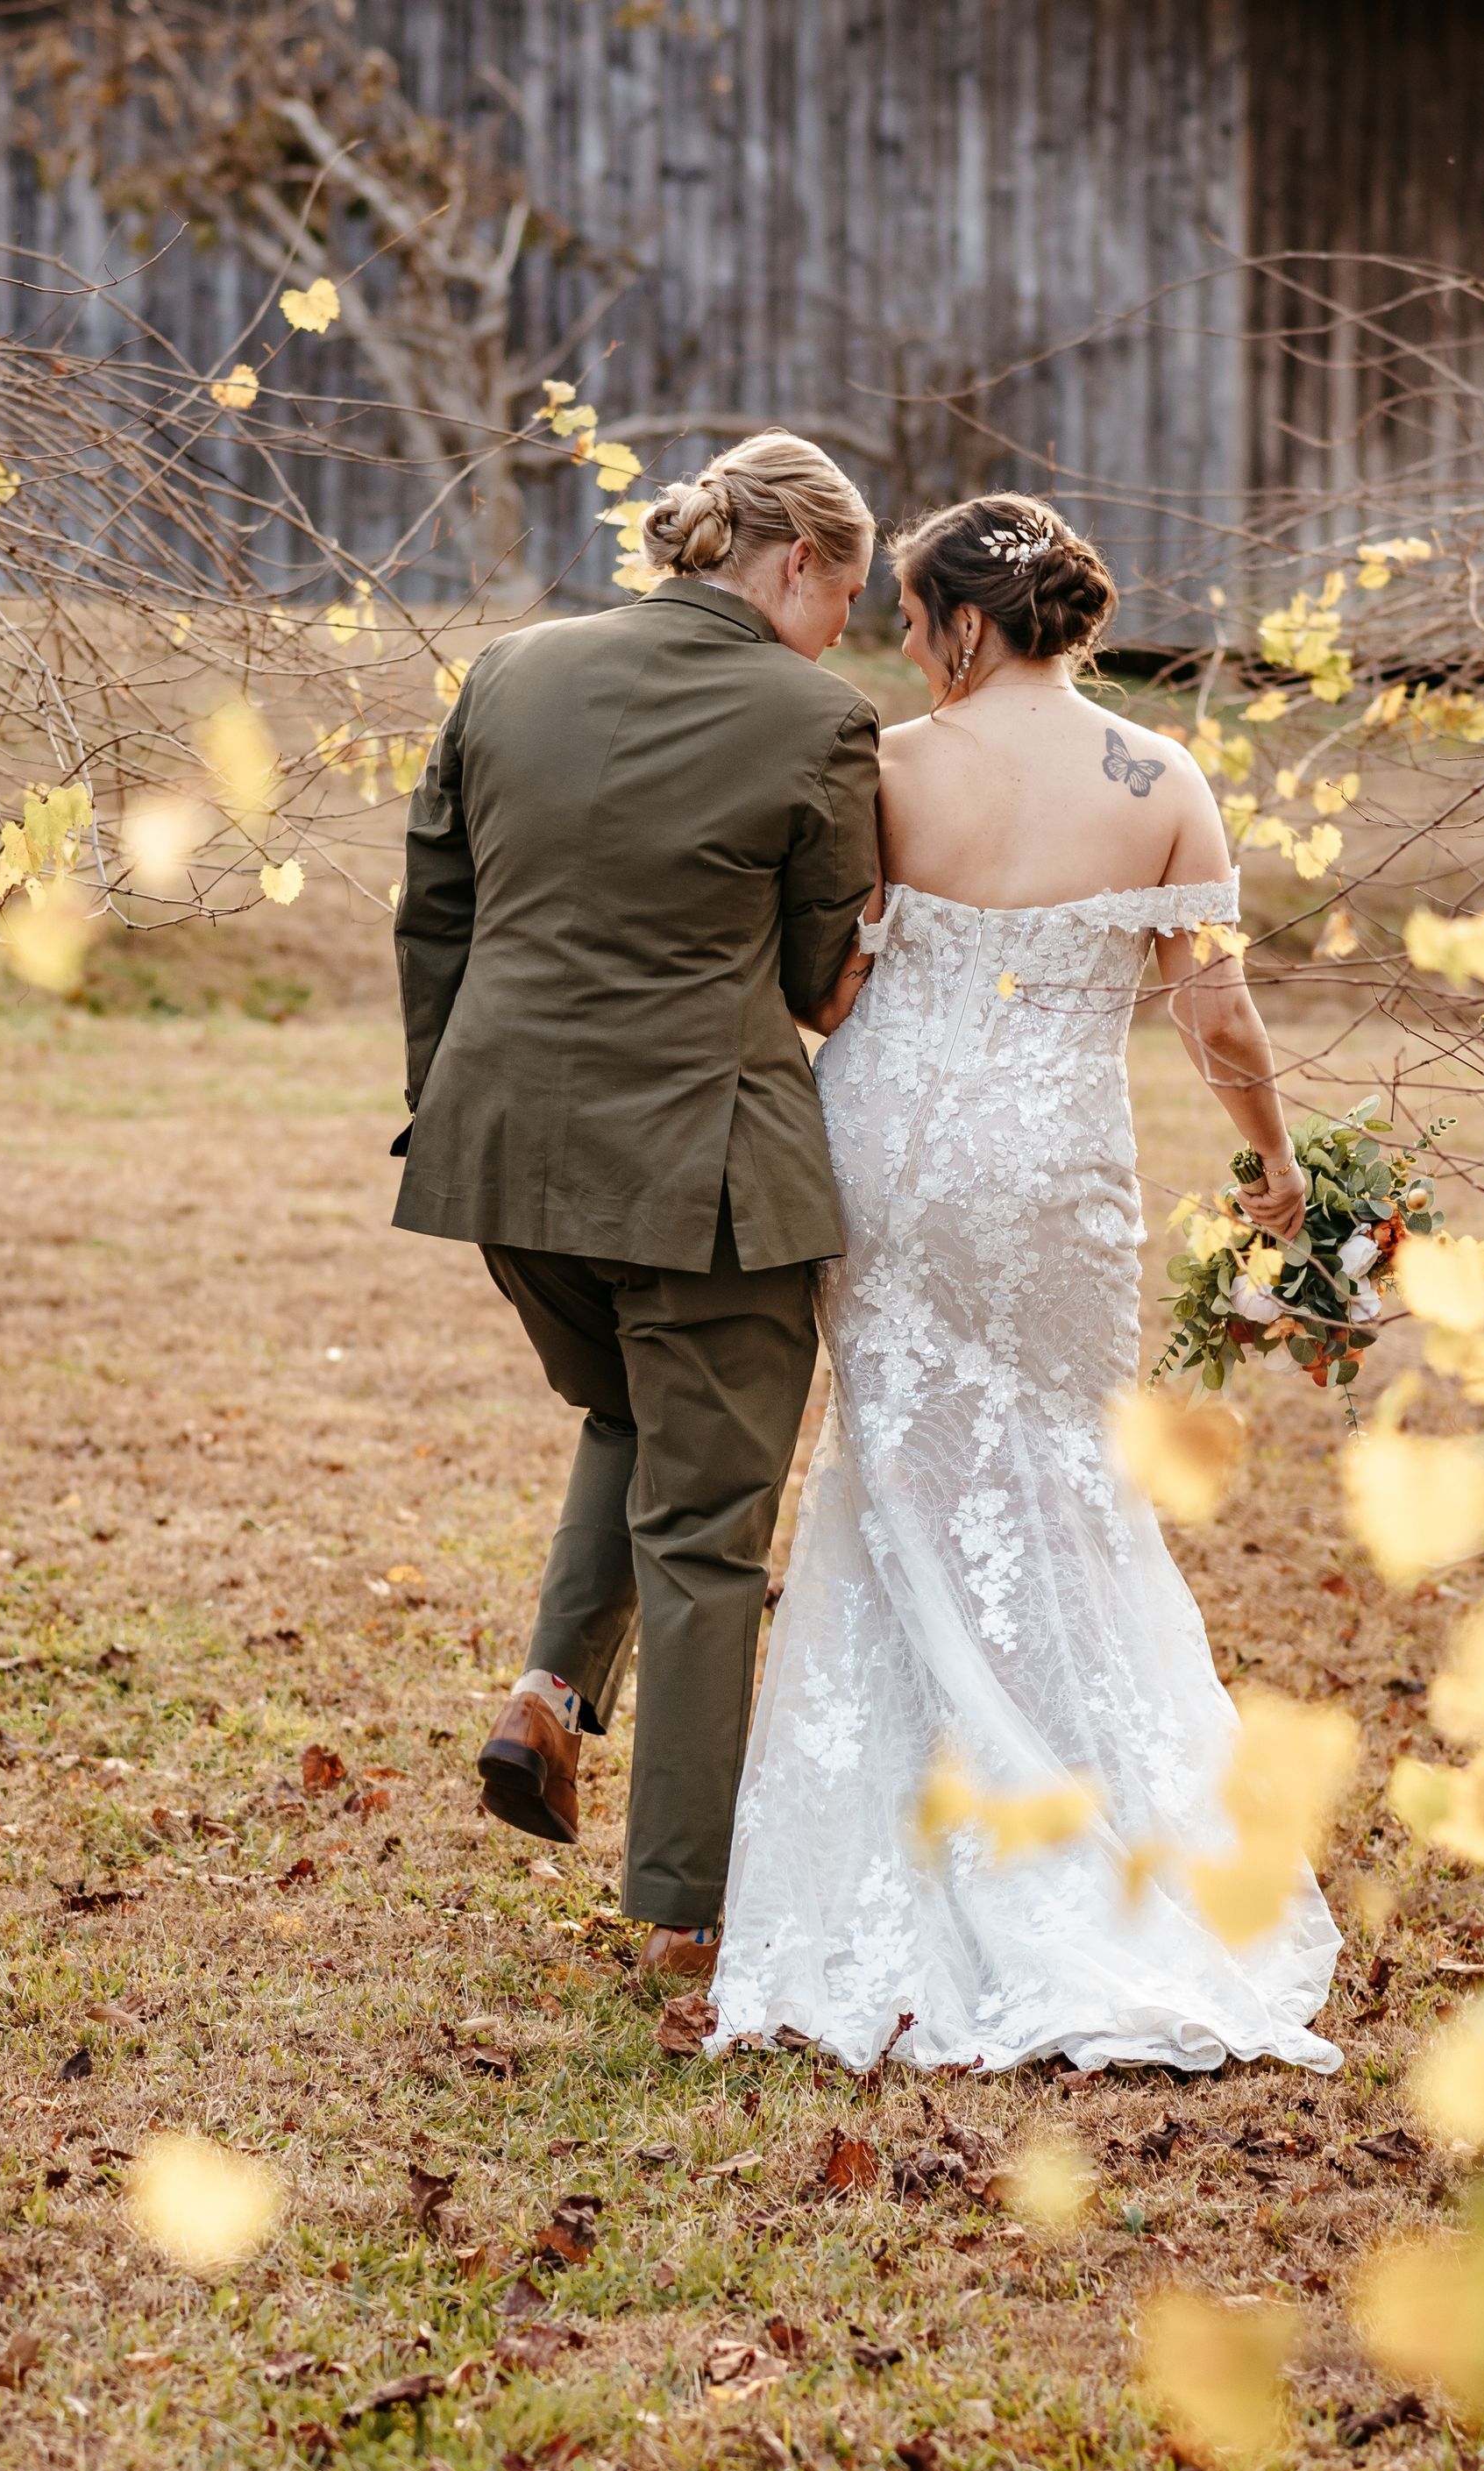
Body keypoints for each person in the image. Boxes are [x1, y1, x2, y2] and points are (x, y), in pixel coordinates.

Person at [710, 490, 1342, 2072]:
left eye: (915, 622)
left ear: (966, 625)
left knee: (901, 1474)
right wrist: (1272, 1166)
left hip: (892, 1166)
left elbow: (832, 968)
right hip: (1059, 1175)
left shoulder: (892, 766)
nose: (908, 650)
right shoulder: (1163, 777)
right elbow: (1221, 1023)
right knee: (1066, 1477)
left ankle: (910, 1848)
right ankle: (1092, 1831)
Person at [392, 431, 878, 1980]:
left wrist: (462, 1099)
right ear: (798, 564)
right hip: (705, 1179)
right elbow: (817, 982)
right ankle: (683, 1913)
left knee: (629, 1415)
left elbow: (436, 912)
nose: (846, 633)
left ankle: (547, 1691)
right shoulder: (821, 719)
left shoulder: (510, 670)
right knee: (712, 1534)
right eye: (846, 596)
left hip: (503, 1160)